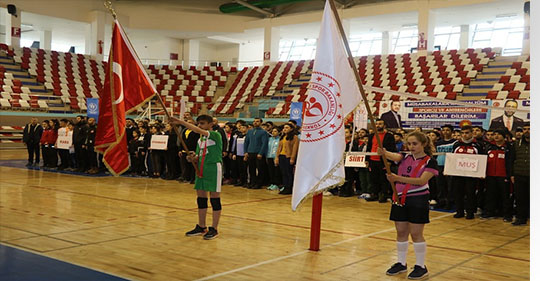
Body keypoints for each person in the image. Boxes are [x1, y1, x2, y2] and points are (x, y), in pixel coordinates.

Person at [379, 131, 438, 280]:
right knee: (401, 232)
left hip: (418, 199)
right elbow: (391, 155)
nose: (411, 147)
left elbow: (421, 181)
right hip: (399, 199)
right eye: (409, 144)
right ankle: (401, 262)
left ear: (423, 144)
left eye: (415, 144)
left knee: (416, 233)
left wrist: (397, 178)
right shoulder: (404, 157)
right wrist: (383, 152)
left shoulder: (430, 161)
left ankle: (421, 266)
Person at [171, 115, 223, 240]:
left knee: (214, 198)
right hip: (201, 169)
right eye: (198, 123)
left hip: (213, 169)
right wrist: (193, 158)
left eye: (203, 123)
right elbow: (200, 155)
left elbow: (197, 130)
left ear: (211, 124)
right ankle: (201, 226)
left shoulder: (215, 135)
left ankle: (214, 228)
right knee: (201, 197)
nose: (200, 126)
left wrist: (180, 122)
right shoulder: (200, 140)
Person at [452, 125, 485, 219]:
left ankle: (470, 212)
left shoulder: (478, 145)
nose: (464, 135)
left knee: (470, 193)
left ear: (472, 133)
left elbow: (482, 160)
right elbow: (452, 159)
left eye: (467, 133)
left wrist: (481, 173)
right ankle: (459, 211)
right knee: (458, 193)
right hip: (458, 174)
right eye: (462, 133)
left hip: (472, 175)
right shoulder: (457, 144)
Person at [483, 129, 514, 221]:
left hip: (504, 176)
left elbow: (511, 162)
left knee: (505, 196)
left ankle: (507, 215)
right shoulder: (489, 147)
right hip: (490, 175)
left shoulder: (509, 148)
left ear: (504, 137)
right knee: (490, 195)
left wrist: (510, 175)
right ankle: (490, 212)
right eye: (494, 134)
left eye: (499, 135)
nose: (496, 136)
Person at [366, 119, 397, 203]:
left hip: (383, 161)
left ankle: (383, 194)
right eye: (377, 124)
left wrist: (389, 161)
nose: (378, 125)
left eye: (380, 124)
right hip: (372, 160)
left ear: (384, 126)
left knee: (384, 179)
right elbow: (369, 147)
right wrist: (367, 159)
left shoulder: (389, 136)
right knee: (373, 179)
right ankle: (374, 194)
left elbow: (392, 149)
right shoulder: (371, 135)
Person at [510, 123, 529, 226]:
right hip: (519, 174)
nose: (526, 131)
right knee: (520, 198)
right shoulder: (516, 144)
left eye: (529, 129)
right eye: (524, 129)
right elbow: (512, 159)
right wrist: (512, 174)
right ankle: (521, 218)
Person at [434, 125, 456, 210]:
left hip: (450, 166)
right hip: (439, 165)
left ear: (451, 132)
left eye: (447, 130)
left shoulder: (455, 142)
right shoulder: (438, 142)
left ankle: (449, 202)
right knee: (440, 185)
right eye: (443, 130)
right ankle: (441, 201)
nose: (445, 132)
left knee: (450, 185)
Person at [244, 118, 269, 189]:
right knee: (251, 169)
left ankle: (259, 183)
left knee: (260, 169)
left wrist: (261, 153)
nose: (255, 123)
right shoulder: (250, 131)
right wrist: (245, 151)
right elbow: (246, 142)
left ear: (261, 123)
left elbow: (264, 143)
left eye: (257, 121)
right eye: (254, 121)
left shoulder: (263, 132)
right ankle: (252, 182)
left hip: (258, 153)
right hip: (250, 152)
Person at [275, 123, 299, 195]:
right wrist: (277, 157)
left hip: (288, 157)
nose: (285, 129)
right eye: (284, 128)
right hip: (281, 156)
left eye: (287, 127)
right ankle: (285, 186)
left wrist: (292, 158)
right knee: (283, 172)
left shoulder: (294, 137)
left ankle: (289, 187)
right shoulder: (283, 137)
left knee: (289, 173)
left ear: (291, 129)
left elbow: (295, 149)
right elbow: (279, 148)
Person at [231, 122, 248, 187]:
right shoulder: (238, 135)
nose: (242, 129)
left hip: (244, 154)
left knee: (245, 169)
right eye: (241, 128)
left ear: (247, 128)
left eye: (244, 127)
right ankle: (241, 181)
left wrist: (246, 154)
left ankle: (246, 181)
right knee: (240, 169)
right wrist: (234, 154)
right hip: (238, 154)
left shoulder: (247, 136)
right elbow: (235, 145)